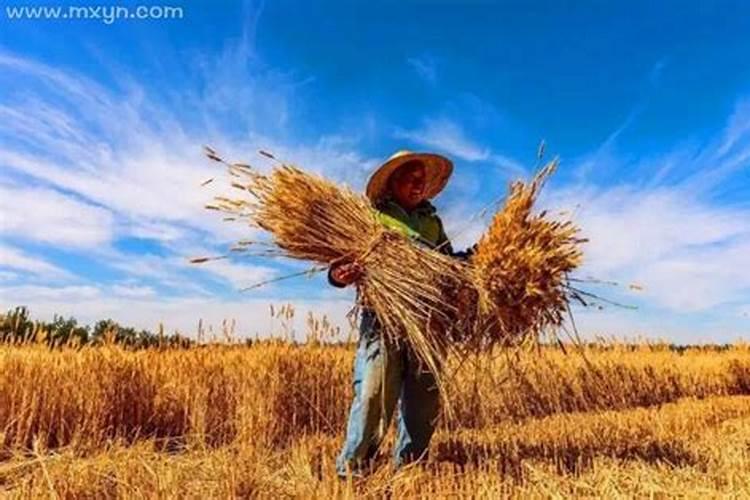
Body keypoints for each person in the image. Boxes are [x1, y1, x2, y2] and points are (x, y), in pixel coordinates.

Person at [329, 150, 472, 477]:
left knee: (424, 401)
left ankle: (409, 470)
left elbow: (447, 262)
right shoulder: (372, 216)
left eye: (422, 179)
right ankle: (353, 472)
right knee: (374, 393)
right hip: (383, 318)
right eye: (411, 177)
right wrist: (339, 274)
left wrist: (474, 262)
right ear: (392, 182)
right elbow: (339, 263)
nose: (418, 184)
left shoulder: (432, 221)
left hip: (429, 320)